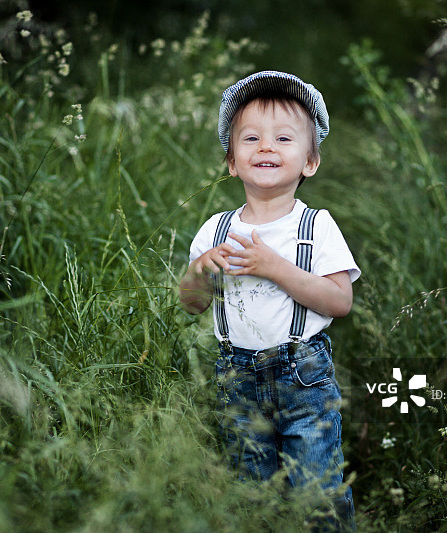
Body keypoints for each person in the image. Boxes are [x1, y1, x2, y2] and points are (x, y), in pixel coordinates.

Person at [178, 71, 359, 529]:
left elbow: (339, 301)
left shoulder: (315, 227)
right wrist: (200, 271)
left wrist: (275, 267)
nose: (266, 147)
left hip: (303, 376)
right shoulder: (216, 230)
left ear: (309, 162)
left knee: (316, 488)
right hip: (235, 377)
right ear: (232, 162)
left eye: (283, 138)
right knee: (250, 493)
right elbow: (191, 303)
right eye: (251, 138)